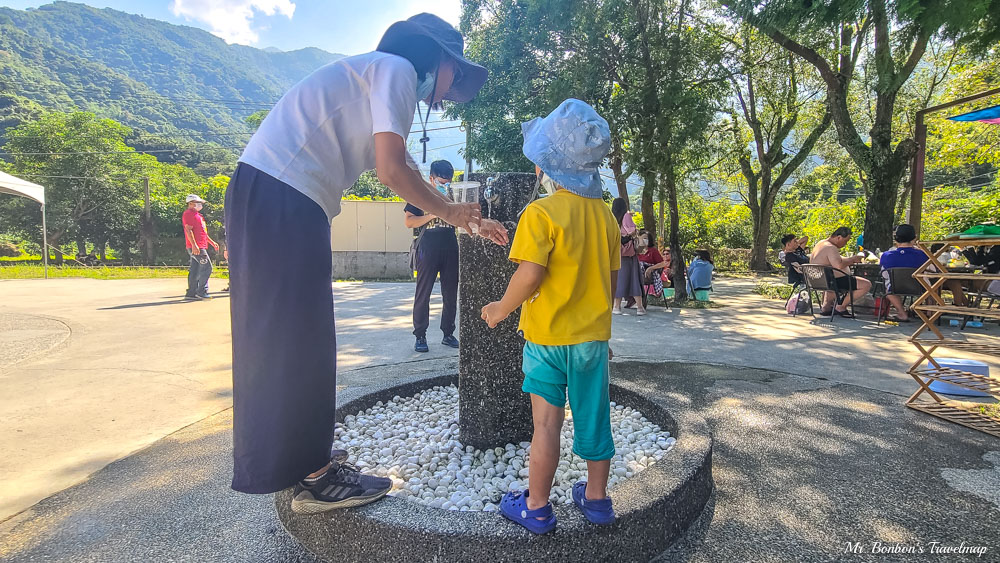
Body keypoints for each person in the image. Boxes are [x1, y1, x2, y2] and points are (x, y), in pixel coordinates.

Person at [225, 13, 507, 514]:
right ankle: (316, 478)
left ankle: (300, 458)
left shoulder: (379, 74)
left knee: (292, 334)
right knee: (300, 338)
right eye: (454, 75)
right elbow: (392, 170)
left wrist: (466, 221)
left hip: (276, 195)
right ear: (436, 57)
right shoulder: (397, 70)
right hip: (282, 196)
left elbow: (409, 169)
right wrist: (449, 210)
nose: (447, 93)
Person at [481, 99, 620, 534]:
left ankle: (537, 507)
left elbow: (531, 273)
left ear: (546, 168)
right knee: (595, 417)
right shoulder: (606, 217)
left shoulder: (540, 213)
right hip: (591, 339)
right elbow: (609, 279)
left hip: (545, 340)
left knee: (545, 424)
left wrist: (501, 308)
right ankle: (596, 500)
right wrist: (599, 327)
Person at [405, 159, 459, 352]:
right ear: (432, 178)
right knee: (423, 292)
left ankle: (448, 333)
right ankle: (420, 335)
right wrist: (432, 214)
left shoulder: (454, 195)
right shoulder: (420, 194)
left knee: (450, 293)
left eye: (448, 182)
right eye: (441, 181)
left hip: (450, 245)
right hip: (427, 246)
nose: (445, 185)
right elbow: (409, 221)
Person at [880, 224, 967, 321]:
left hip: (895, 287)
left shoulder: (886, 255)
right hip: (921, 287)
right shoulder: (922, 254)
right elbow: (933, 271)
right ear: (914, 239)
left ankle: (901, 312)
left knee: (888, 288)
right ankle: (930, 312)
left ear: (895, 239)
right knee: (933, 284)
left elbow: (884, 274)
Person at [809, 226, 871, 318]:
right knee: (866, 284)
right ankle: (841, 307)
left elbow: (835, 260)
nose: (845, 244)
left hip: (817, 280)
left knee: (835, 282)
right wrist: (853, 259)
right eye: (845, 241)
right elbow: (838, 265)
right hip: (831, 281)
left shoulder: (821, 243)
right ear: (838, 237)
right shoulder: (831, 247)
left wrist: (849, 259)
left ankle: (826, 307)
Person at [612, 197, 645, 315]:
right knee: (634, 279)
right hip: (629, 253)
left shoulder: (611, 218)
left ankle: (616, 307)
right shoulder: (626, 216)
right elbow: (631, 230)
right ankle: (640, 308)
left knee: (619, 279)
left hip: (617, 252)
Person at [182, 194, 219, 300]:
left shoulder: (199, 216)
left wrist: (212, 242)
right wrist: (194, 245)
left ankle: (191, 293)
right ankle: (201, 291)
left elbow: (203, 232)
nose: (200, 205)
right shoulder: (188, 214)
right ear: (190, 203)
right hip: (196, 247)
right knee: (207, 267)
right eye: (197, 203)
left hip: (200, 245)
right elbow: (188, 230)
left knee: (195, 268)